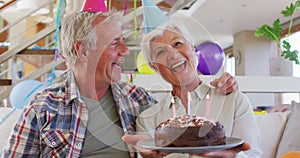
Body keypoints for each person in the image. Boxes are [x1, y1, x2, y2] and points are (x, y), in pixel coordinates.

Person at [3, 10, 238, 158]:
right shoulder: (43, 107)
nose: (126, 51)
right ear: (83, 50)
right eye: (115, 43)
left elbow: (182, 118)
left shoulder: (138, 99)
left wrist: (216, 86)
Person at [123, 23, 262, 158]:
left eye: (177, 43)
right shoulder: (148, 120)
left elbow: (253, 155)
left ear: (193, 49)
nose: (172, 54)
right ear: (155, 67)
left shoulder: (234, 102)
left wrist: (233, 157)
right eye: (161, 52)